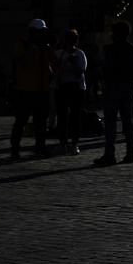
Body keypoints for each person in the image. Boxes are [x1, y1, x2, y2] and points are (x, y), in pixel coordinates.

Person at [95, 20, 133, 166]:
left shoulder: (109, 49)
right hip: (128, 87)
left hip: (112, 87)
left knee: (111, 123)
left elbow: (103, 67)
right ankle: (131, 154)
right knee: (127, 121)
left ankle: (110, 154)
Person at [10, 18, 54, 159]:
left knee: (41, 122)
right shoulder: (22, 44)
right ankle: (15, 148)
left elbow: (54, 63)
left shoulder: (45, 47)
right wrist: (33, 50)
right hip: (25, 89)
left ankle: (40, 147)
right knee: (21, 121)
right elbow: (21, 62)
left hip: (42, 89)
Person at [54, 29, 89, 155]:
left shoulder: (80, 54)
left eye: (73, 39)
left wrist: (74, 63)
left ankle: (74, 144)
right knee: (62, 117)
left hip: (77, 88)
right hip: (62, 87)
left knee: (75, 117)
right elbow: (55, 72)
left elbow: (81, 72)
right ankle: (63, 143)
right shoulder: (59, 54)